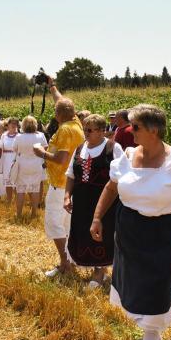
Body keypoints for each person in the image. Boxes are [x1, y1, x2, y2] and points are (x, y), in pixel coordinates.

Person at [90, 104, 171, 340]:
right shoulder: (127, 157)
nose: (131, 130)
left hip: (164, 232)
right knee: (133, 282)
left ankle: (151, 335)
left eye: (135, 126)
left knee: (160, 285)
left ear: (153, 129)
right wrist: (97, 217)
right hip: (129, 230)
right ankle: (147, 330)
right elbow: (110, 188)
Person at [33, 78, 85, 278]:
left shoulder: (64, 130)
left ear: (57, 115)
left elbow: (62, 159)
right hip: (72, 185)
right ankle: (70, 261)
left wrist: (41, 153)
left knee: (55, 225)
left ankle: (65, 264)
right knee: (67, 226)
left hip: (59, 185)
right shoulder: (77, 123)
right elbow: (62, 101)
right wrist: (52, 86)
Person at [64, 114, 123, 289]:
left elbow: (122, 175)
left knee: (101, 234)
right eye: (85, 129)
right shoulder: (80, 148)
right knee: (83, 232)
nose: (86, 133)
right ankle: (92, 269)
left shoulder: (113, 148)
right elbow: (71, 175)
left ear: (102, 131)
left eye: (90, 130)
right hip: (81, 201)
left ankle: (99, 273)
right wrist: (67, 196)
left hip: (105, 201)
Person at [13, 116, 47, 219]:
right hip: (36, 164)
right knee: (35, 189)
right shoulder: (40, 136)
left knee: (20, 190)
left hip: (22, 164)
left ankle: (18, 214)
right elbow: (45, 149)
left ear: (23, 125)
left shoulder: (19, 137)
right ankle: (34, 213)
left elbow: (15, 149)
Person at [0, 117, 20, 206]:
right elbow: (0, 148)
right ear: (8, 125)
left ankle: (17, 202)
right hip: (6, 159)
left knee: (16, 182)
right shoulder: (4, 135)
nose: (13, 125)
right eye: (12, 123)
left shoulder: (20, 136)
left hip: (16, 159)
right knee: (8, 182)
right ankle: (9, 201)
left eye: (15, 123)